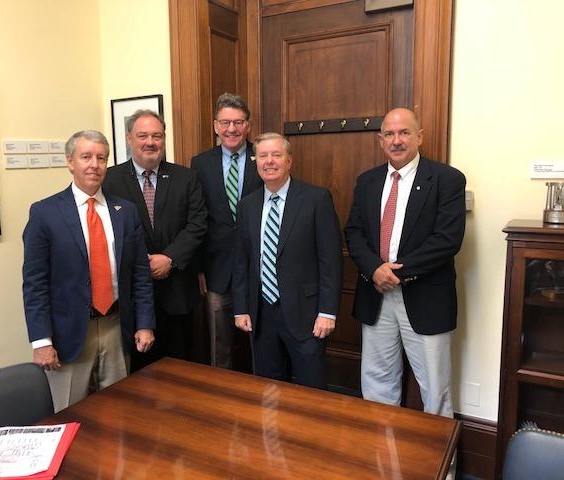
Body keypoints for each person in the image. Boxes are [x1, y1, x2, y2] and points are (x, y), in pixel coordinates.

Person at [344, 107, 466, 419]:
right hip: (376, 295)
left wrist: (396, 273)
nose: (397, 140)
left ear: (419, 136)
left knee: (435, 391)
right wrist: (375, 269)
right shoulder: (367, 181)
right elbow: (354, 233)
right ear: (380, 140)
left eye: (404, 132)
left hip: (426, 296)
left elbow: (447, 239)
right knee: (377, 384)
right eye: (389, 134)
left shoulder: (447, 179)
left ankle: (442, 469)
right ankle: (382, 461)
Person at [23, 130, 155, 412]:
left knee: (118, 410)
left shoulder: (126, 211)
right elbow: (35, 283)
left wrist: (145, 323)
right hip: (68, 333)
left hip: (116, 326)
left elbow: (140, 274)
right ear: (70, 162)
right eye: (86, 157)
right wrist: (41, 341)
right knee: (69, 410)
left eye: (101, 157)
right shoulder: (45, 213)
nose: (94, 164)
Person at [233, 132, 342, 389]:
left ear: (289, 161)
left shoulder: (316, 199)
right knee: (269, 389)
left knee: (310, 388)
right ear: (255, 161)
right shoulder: (247, 206)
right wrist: (241, 308)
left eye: (276, 155)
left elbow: (331, 260)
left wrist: (327, 312)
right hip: (261, 314)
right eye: (263, 156)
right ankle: (273, 431)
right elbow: (242, 261)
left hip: (307, 316)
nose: (269, 161)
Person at [103, 110, 207, 369]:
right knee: (139, 374)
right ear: (129, 138)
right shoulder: (110, 180)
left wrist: (169, 258)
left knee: (181, 368)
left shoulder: (186, 177)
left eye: (157, 135)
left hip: (178, 290)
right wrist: (143, 263)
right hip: (133, 295)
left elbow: (197, 224)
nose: (150, 141)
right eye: (143, 135)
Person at [191, 93, 263, 369]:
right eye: (225, 122)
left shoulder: (265, 157)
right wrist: (198, 268)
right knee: (219, 342)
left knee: (259, 338)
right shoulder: (200, 163)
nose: (231, 129)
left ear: (248, 124)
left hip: (259, 265)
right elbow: (197, 217)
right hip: (216, 268)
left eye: (238, 122)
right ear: (215, 126)